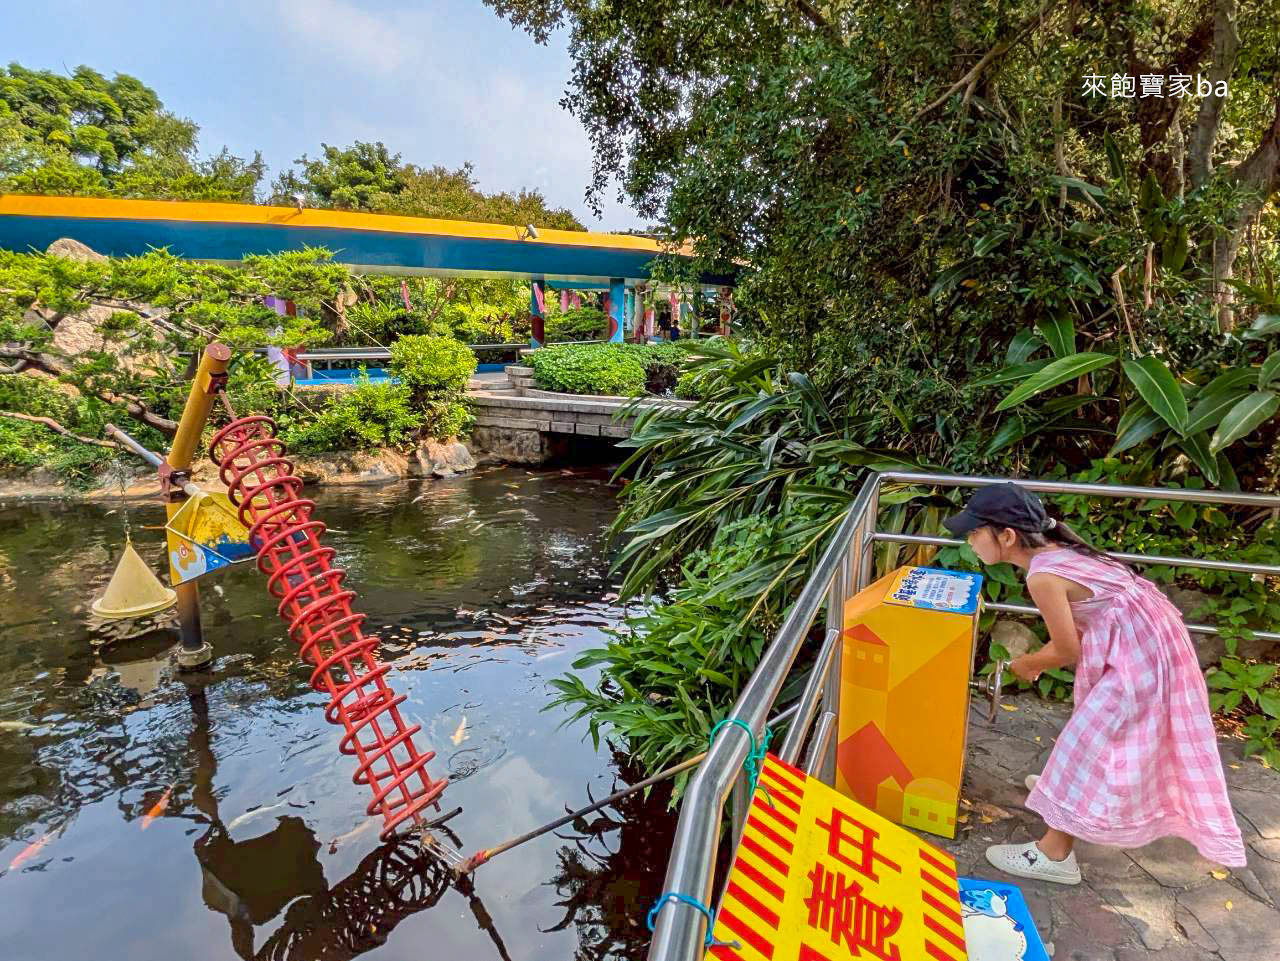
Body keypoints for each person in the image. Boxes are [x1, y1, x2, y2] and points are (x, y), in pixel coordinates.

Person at [943, 483, 1246, 884]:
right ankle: (1063, 792)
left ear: (1006, 536)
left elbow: (1066, 648)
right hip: (1151, 649)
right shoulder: (1060, 553)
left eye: (973, 532)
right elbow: (1080, 630)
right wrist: (1040, 661)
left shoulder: (1044, 576)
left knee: (1087, 742)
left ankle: (1055, 854)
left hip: (1143, 662)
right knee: (1089, 737)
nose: (969, 541)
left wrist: (1027, 664)